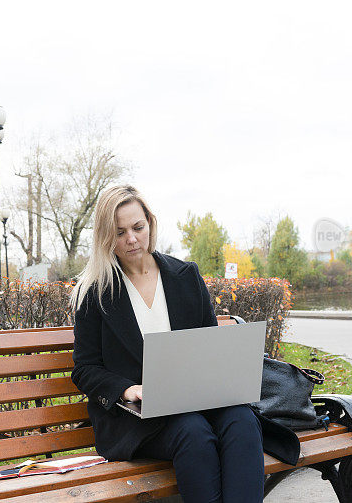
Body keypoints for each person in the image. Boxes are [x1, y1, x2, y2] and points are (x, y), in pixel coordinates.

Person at [70, 184, 265, 503]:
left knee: (243, 422)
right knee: (194, 433)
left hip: (198, 402)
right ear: (105, 236)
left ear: (150, 223)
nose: (131, 239)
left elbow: (209, 347)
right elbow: (85, 369)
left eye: (137, 227)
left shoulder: (185, 276)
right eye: (119, 232)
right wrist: (125, 389)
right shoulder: (95, 294)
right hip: (137, 419)